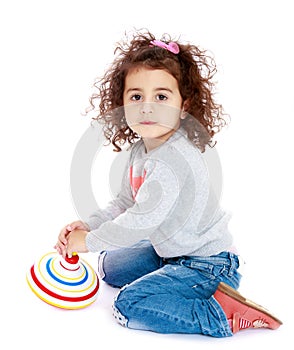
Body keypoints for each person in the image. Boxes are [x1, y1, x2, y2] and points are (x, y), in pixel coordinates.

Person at [55, 30, 282, 337]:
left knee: (128, 304)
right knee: (109, 268)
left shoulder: (172, 160)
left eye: (161, 97)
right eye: (136, 97)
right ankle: (171, 276)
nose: (147, 107)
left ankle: (218, 315)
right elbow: (124, 204)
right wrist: (89, 225)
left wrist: (90, 242)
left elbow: (140, 221)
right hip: (171, 251)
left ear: (183, 106)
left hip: (208, 265)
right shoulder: (141, 150)